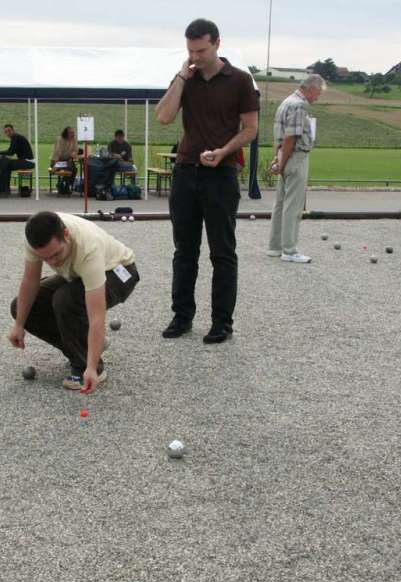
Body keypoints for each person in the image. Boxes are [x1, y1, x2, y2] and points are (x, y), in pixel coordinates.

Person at [155, 18, 259, 344]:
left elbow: (251, 128)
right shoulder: (187, 78)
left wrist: (224, 150)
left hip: (222, 174)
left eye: (201, 50)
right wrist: (182, 78)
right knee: (184, 251)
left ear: (217, 43)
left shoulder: (241, 81)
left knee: (222, 252)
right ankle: (182, 316)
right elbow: (164, 116)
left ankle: (222, 323)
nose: (196, 56)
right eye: (190, 51)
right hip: (186, 171)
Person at [8, 211, 139, 393]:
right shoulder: (35, 238)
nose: (52, 261)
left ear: (66, 235)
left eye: (56, 254)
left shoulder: (88, 248)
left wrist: (91, 367)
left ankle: (87, 364)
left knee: (66, 300)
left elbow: (96, 315)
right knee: (21, 307)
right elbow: (30, 282)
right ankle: (88, 346)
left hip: (120, 272)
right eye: (45, 258)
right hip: (77, 274)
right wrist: (19, 324)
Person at [266, 75, 326, 264]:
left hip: (283, 155)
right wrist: (282, 163)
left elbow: (280, 136)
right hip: (295, 158)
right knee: (293, 205)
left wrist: (277, 158)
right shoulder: (299, 106)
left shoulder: (286, 102)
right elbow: (291, 138)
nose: (317, 97)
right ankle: (289, 250)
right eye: (318, 93)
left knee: (281, 203)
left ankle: (275, 247)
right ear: (310, 88)